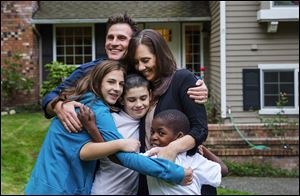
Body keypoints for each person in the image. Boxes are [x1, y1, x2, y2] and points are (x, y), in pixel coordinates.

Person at [25, 60, 191, 195]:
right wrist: (174, 172)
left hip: (44, 184)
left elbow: (84, 150)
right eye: (111, 82)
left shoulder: (82, 101)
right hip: (59, 187)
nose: (117, 88)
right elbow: (124, 157)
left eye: (120, 84)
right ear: (98, 81)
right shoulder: (95, 108)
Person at [42, 13, 209, 134]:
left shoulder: (140, 71)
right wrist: (58, 106)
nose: (114, 43)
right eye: (110, 37)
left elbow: (168, 77)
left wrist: (198, 83)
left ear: (133, 43)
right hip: (96, 146)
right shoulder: (90, 70)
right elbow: (50, 97)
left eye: (121, 38)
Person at [125, 28, 215, 194]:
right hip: (152, 175)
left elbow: (200, 129)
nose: (140, 67)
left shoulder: (182, 79)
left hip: (185, 178)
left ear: (159, 56)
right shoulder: (142, 87)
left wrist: (172, 149)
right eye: (136, 62)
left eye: (145, 60)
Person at [146, 109, 227, 195]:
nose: (153, 137)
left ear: (179, 137)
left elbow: (223, 170)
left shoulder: (194, 160)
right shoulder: (152, 155)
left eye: (161, 133)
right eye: (152, 132)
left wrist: (201, 147)